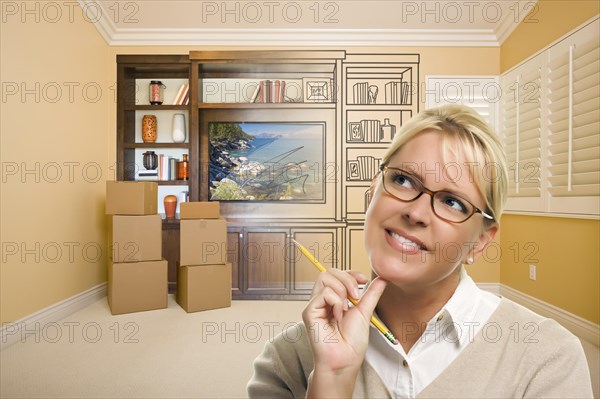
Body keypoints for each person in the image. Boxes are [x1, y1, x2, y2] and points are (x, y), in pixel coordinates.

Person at [247, 104, 593, 398]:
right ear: (373, 193)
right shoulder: (288, 358)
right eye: (403, 180)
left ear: (482, 240)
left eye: (452, 202)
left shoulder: (548, 357)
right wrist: (332, 383)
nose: (415, 212)